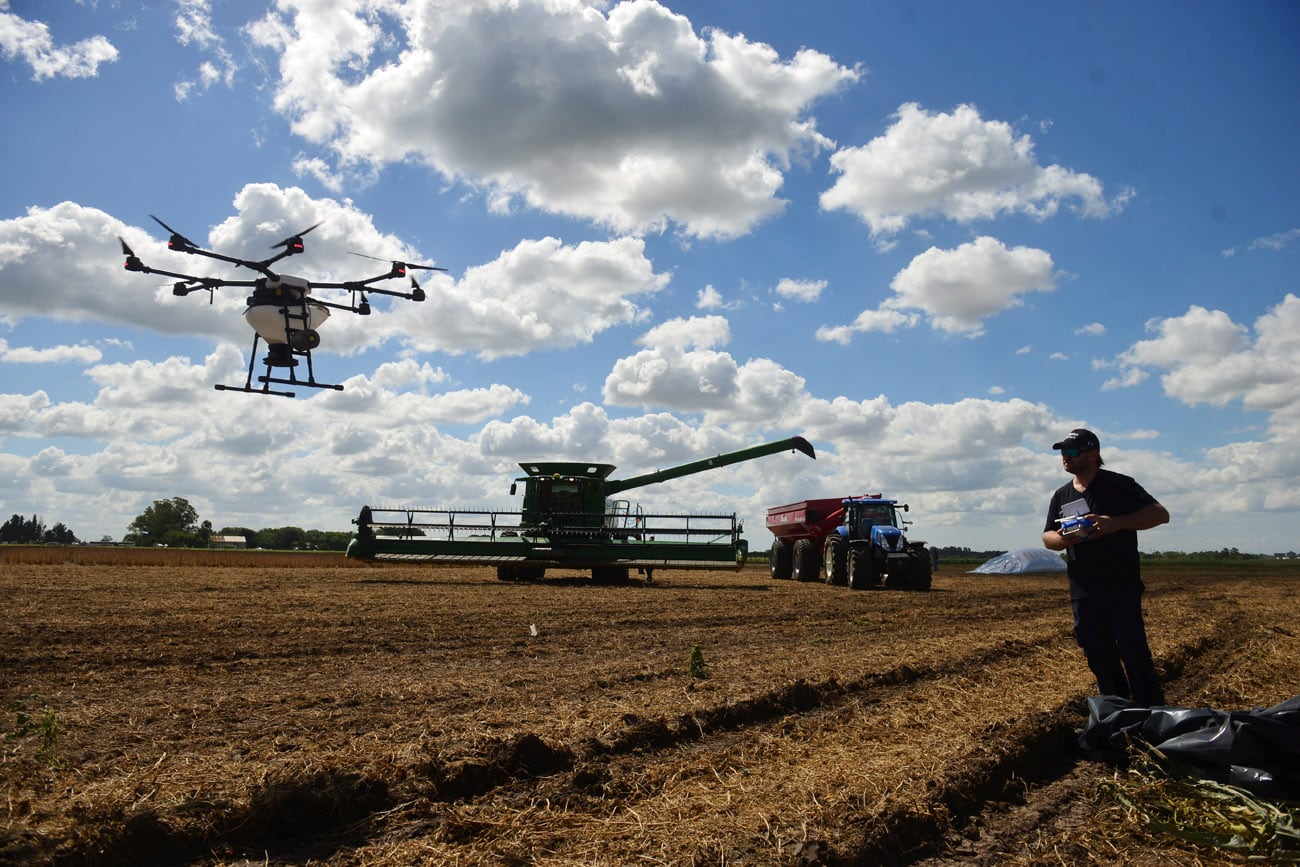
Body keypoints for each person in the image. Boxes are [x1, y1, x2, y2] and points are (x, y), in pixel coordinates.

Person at [1042, 428, 1170, 707]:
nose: (1065, 457)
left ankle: (1152, 710)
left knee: (1133, 650)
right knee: (1096, 650)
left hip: (1120, 584)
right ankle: (1117, 708)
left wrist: (1115, 523)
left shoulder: (1119, 485)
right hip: (1084, 588)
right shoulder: (1061, 495)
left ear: (1093, 454)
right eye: (1063, 452)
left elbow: (1160, 514)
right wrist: (1063, 538)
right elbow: (1047, 537)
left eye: (1072, 451)